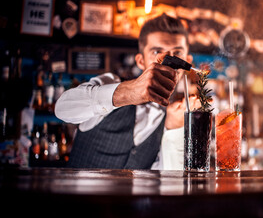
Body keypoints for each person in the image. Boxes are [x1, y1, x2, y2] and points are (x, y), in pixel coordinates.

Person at [55, 13, 199, 169]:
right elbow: (62, 108)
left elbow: (170, 184)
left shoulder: (174, 117)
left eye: (177, 53)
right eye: (157, 52)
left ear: (188, 62)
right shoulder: (109, 83)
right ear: (140, 61)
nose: (170, 62)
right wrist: (128, 92)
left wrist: (174, 130)